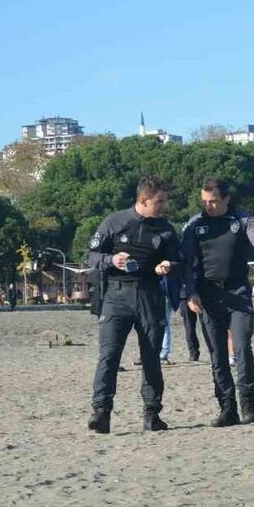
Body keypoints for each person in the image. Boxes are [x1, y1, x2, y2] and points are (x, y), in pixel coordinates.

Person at [86, 176, 182, 433]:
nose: (163, 206)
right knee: (109, 355)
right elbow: (91, 255)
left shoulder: (165, 228)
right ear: (143, 200)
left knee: (151, 356)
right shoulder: (115, 222)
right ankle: (101, 413)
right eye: (159, 202)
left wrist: (169, 266)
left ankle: (152, 414)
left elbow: (178, 261)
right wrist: (110, 260)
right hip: (116, 297)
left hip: (150, 295)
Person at [182, 176, 254, 426]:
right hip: (208, 297)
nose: (208, 206)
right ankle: (227, 407)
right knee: (217, 356)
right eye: (204, 201)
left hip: (238, 294)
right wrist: (190, 292)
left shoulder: (243, 219)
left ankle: (248, 404)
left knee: (242, 347)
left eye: (213, 201)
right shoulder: (194, 224)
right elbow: (186, 263)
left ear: (226, 199)